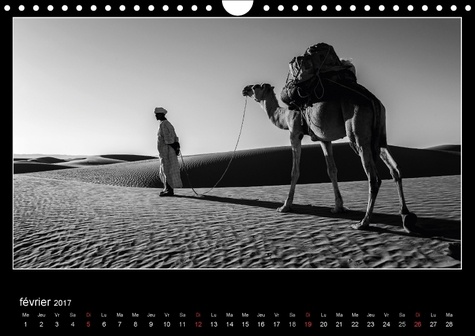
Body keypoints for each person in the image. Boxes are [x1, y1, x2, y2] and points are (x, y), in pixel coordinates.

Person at [154, 107, 182, 196]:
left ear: (161, 114)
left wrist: (175, 147)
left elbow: (169, 139)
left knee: (168, 169)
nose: (155, 116)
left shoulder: (165, 124)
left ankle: (169, 190)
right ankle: (167, 189)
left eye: (157, 114)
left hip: (167, 151)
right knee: (165, 169)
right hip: (165, 151)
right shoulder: (164, 124)